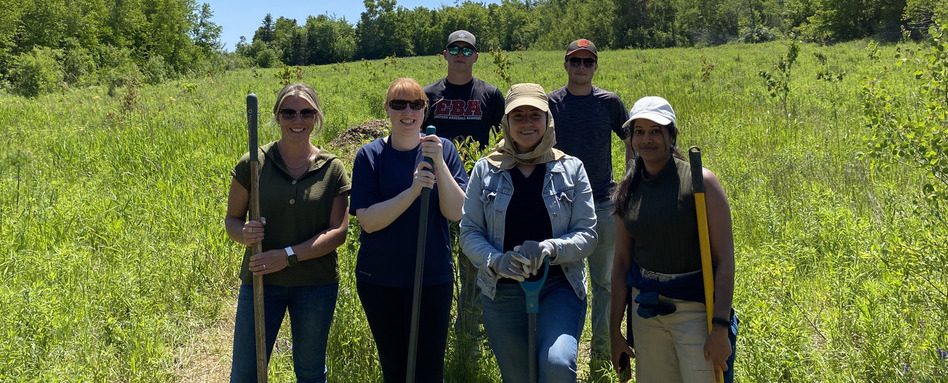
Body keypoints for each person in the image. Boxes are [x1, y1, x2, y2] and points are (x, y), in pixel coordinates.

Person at [460, 83, 597, 382]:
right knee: (519, 377)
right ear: (506, 123)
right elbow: (469, 232)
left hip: (558, 288)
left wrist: (551, 248)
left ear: (547, 121)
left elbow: (587, 234)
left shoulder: (571, 169)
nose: (526, 123)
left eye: (535, 115)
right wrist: (496, 260)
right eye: (517, 115)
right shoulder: (486, 170)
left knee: (557, 365)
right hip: (502, 291)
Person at [225, 83, 351, 383]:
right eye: (289, 112)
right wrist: (245, 233)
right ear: (277, 116)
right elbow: (231, 220)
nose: (298, 120)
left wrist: (287, 256)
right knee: (246, 373)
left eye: (306, 112)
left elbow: (338, 232)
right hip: (261, 281)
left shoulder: (332, 168)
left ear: (316, 117)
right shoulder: (253, 163)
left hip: (315, 285)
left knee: (310, 372)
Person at [609, 96, 736, 382]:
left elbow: (725, 260)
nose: (646, 139)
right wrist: (615, 331)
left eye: (656, 131)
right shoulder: (626, 190)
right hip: (647, 311)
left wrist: (719, 327)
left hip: (695, 311)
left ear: (672, 134)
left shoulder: (701, 182)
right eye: (639, 131)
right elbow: (620, 263)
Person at [349, 77, 468, 382]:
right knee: (395, 367)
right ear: (386, 109)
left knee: (429, 370)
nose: (408, 112)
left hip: (431, 277)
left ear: (424, 110)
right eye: (399, 104)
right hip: (380, 280)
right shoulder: (369, 156)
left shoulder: (446, 151)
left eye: (416, 104)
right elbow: (369, 221)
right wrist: (414, 190)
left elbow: (456, 212)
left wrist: (438, 163)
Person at [546, 38, 631, 367]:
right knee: (566, 280)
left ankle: (602, 352)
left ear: (595, 66)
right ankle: (564, 350)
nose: (581, 67)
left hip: (602, 204)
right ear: (565, 64)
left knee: (605, 282)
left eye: (588, 61)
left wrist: (627, 183)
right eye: (575, 61)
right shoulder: (551, 103)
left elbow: (630, 142)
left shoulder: (609, 102)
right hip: (560, 205)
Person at [422, 29, 505, 338]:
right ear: (445, 54)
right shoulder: (429, 95)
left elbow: (502, 140)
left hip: (479, 189)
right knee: (437, 253)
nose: (460, 54)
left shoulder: (490, 94)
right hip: (435, 187)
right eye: (454, 49)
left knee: (473, 259)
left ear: (476, 56)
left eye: (467, 50)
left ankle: (470, 325)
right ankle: (437, 321)